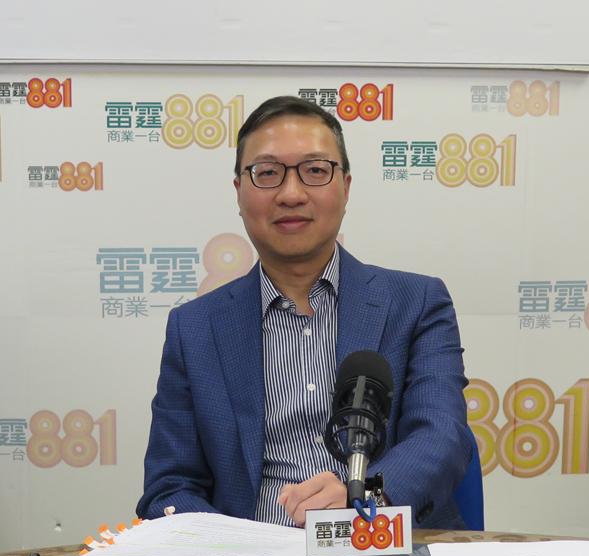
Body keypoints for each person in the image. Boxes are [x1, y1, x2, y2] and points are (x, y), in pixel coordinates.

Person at [137, 96, 471, 529]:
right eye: (267, 173)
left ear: (345, 188)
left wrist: (364, 496)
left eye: (315, 171)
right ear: (239, 192)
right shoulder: (194, 328)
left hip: (381, 544)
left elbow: (441, 434)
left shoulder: (417, 302)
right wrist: (233, 546)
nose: (291, 194)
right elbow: (170, 485)